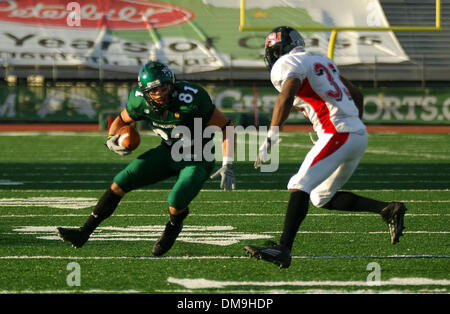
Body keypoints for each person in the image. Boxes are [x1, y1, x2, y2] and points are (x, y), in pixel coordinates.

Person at [244, 26, 407, 268]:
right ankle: (387, 209)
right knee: (321, 196)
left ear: (278, 50)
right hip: (357, 134)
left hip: (338, 133)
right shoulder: (320, 59)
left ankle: (283, 249)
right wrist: (354, 123)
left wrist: (272, 135)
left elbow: (286, 96)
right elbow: (357, 94)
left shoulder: (287, 63)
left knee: (299, 184)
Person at [57, 61, 235, 256]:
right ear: (145, 92)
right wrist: (111, 139)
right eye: (154, 90)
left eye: (164, 88)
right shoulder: (139, 100)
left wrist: (228, 163)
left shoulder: (191, 97)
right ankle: (84, 232)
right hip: (168, 151)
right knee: (121, 182)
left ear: (172, 84)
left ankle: (173, 227)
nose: (160, 94)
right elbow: (122, 120)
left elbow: (227, 126)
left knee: (175, 201)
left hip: (199, 156)